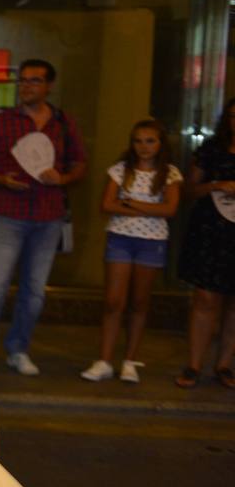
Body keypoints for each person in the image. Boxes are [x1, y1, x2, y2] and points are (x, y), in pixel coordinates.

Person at [0, 59, 86, 377]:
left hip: (49, 216)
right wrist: (2, 180)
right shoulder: (2, 121)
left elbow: (80, 165)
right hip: (8, 213)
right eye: (23, 80)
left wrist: (62, 178)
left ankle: (18, 350)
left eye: (34, 80)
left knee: (34, 290)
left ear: (49, 86)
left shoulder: (63, 123)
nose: (27, 86)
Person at [81, 119, 182, 384]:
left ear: (161, 143)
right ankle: (104, 360)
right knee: (114, 302)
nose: (144, 147)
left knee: (139, 303)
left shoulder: (169, 173)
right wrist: (148, 207)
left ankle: (129, 361)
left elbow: (170, 209)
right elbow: (107, 204)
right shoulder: (120, 170)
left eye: (150, 141)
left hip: (152, 241)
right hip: (121, 238)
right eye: (138, 141)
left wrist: (131, 203)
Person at [175, 98, 235, 389]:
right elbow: (188, 190)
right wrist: (216, 185)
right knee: (205, 299)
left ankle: (224, 365)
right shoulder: (211, 150)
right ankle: (194, 364)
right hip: (211, 231)